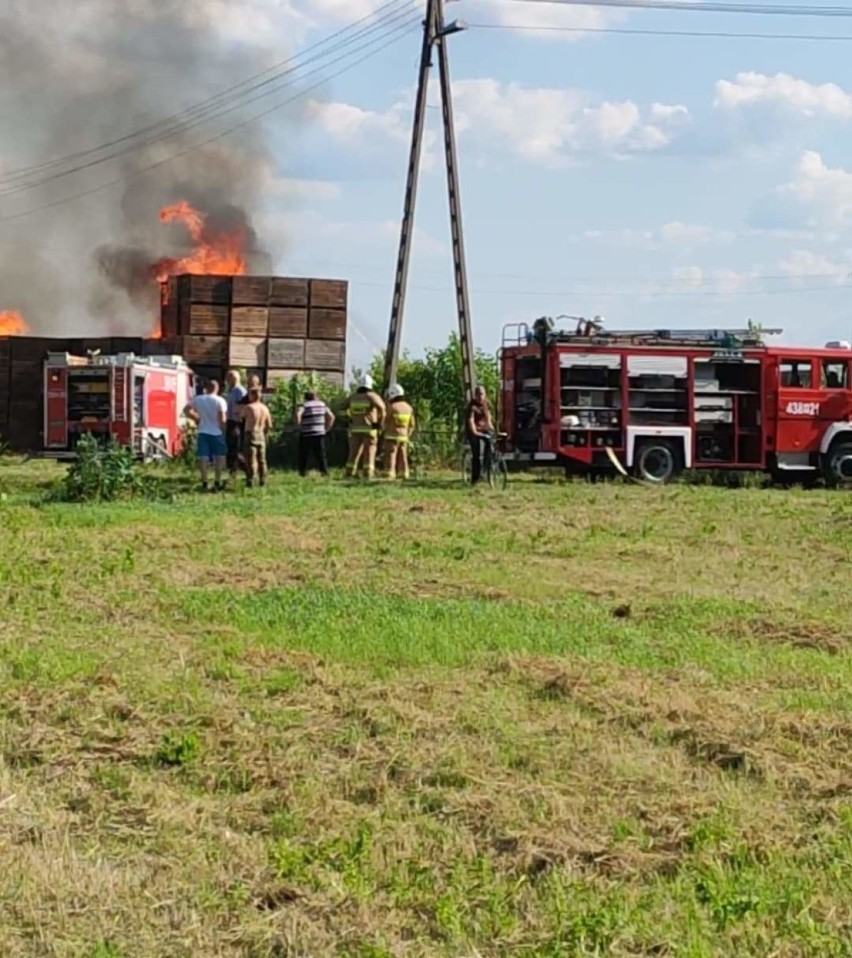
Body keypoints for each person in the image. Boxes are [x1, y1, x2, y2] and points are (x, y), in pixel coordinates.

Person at [185, 379, 228, 492]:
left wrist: (196, 418)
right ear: (217, 389)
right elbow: (222, 419)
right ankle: (217, 481)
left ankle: (204, 481)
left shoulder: (199, 399)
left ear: (207, 388)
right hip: (216, 432)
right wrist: (223, 431)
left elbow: (187, 410)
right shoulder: (220, 401)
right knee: (219, 457)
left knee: (203, 457)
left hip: (203, 431)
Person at [343, 374, 385, 479]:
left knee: (353, 452)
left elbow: (340, 409)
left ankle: (349, 472)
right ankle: (368, 474)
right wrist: (379, 424)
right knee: (370, 451)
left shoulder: (353, 397)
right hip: (369, 429)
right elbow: (382, 409)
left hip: (355, 429)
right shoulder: (372, 396)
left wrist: (348, 419)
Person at [296, 390, 335, 477]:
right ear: (316, 396)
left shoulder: (304, 405)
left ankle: (302, 472)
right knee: (321, 454)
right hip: (319, 433)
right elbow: (331, 416)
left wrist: (299, 426)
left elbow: (298, 414)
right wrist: (327, 428)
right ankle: (324, 471)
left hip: (306, 433)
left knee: (304, 454)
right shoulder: (322, 404)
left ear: (306, 398)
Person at [240, 386, 273, 488]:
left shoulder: (249, 407)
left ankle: (250, 480)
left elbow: (241, 417)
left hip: (251, 433)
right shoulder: (265, 408)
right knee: (262, 459)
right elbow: (269, 425)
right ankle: (262, 479)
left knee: (251, 459)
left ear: (252, 395)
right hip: (261, 434)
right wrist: (265, 433)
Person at [383, 383, 416, 480]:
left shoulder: (392, 407)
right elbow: (412, 424)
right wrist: (408, 434)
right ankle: (404, 473)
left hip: (391, 436)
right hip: (404, 436)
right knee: (403, 455)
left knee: (391, 455)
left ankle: (389, 473)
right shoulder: (409, 408)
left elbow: (386, 419)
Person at [465, 384, 494, 486]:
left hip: (483, 429)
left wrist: (492, 430)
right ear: (475, 395)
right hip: (474, 430)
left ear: (485, 395)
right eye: (478, 394)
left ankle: (486, 470)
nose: (480, 396)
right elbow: (471, 420)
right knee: (476, 453)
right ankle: (474, 479)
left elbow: (488, 419)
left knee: (490, 444)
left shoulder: (486, 404)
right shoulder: (472, 406)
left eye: (482, 394)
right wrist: (475, 433)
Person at [224, 370, 247, 479]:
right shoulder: (231, 391)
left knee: (235, 448)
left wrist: (239, 416)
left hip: (236, 423)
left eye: (228, 378)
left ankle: (247, 469)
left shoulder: (239, 391)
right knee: (230, 448)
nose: (227, 380)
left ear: (234, 378)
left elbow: (243, 407)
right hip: (230, 422)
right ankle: (232, 472)